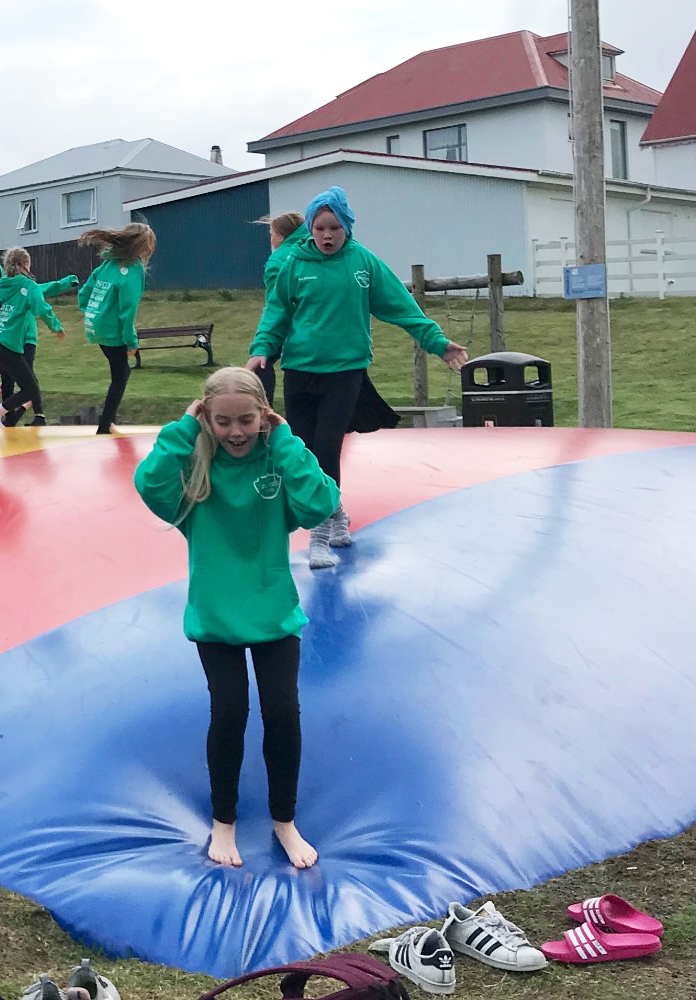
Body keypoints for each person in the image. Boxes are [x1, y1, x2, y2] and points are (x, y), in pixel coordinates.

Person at [133, 367, 339, 871]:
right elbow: (149, 484)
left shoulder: (276, 460)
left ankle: (284, 820)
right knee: (229, 713)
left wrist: (285, 440)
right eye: (222, 421)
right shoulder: (195, 473)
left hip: (273, 613)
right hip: (216, 617)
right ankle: (222, 821)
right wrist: (184, 430)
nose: (236, 432)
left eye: (247, 420)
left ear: (264, 416)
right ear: (206, 418)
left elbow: (320, 503)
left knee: (282, 714)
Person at [246, 186, 467, 569]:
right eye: (320, 228)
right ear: (310, 229)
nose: (327, 235)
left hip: (345, 373)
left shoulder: (363, 263)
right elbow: (276, 312)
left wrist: (438, 343)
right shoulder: (294, 264)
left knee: (327, 448)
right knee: (303, 452)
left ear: (346, 227)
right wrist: (262, 347)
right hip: (300, 371)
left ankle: (319, 535)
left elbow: (401, 306)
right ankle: (335, 511)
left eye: (334, 228)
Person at [78, 224, 155, 434]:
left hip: (96, 327)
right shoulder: (134, 269)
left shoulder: (108, 264)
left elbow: (85, 292)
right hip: (112, 331)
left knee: (119, 371)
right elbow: (127, 309)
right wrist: (131, 341)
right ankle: (105, 426)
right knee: (121, 375)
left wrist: (91, 311)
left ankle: (108, 423)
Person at [0, 247, 69, 429]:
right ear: (24, 265)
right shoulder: (28, 285)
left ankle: (4, 421)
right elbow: (42, 308)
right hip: (7, 345)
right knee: (31, 389)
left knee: (7, 381)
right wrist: (56, 326)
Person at [256, 213, 307, 403]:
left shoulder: (278, 260)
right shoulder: (315, 247)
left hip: (293, 323)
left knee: (260, 362)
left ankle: (264, 407)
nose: (270, 240)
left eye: (272, 234)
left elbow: (275, 303)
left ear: (282, 236)